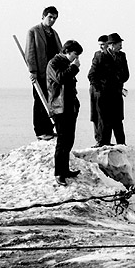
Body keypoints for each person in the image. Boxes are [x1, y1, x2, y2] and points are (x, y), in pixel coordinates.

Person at [47, 40, 83, 187]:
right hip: (59, 108)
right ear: (67, 51)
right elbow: (60, 78)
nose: (77, 58)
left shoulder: (65, 63)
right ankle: (59, 173)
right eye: (75, 54)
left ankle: (65, 170)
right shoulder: (53, 63)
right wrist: (74, 67)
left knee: (69, 140)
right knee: (62, 142)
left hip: (69, 107)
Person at [25, 6, 62, 140]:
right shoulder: (33, 32)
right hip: (40, 72)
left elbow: (60, 52)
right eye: (50, 17)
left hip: (53, 73)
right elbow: (30, 53)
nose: (52, 20)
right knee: (39, 101)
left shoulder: (54, 33)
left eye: (54, 18)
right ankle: (40, 131)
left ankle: (48, 130)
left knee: (51, 100)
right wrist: (33, 71)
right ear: (43, 16)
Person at [87, 32, 129, 146]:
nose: (121, 46)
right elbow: (91, 75)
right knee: (104, 120)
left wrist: (118, 81)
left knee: (118, 120)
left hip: (116, 93)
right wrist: (100, 89)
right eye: (119, 44)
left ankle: (122, 144)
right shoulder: (100, 56)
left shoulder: (122, 56)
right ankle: (103, 143)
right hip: (104, 94)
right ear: (112, 45)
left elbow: (126, 74)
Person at [89, 35, 108, 146]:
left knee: (104, 116)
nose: (101, 47)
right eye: (100, 45)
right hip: (97, 89)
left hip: (103, 89)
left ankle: (104, 140)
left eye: (103, 44)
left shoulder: (111, 56)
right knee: (97, 115)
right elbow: (91, 73)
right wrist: (98, 86)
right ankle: (99, 140)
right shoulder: (98, 55)